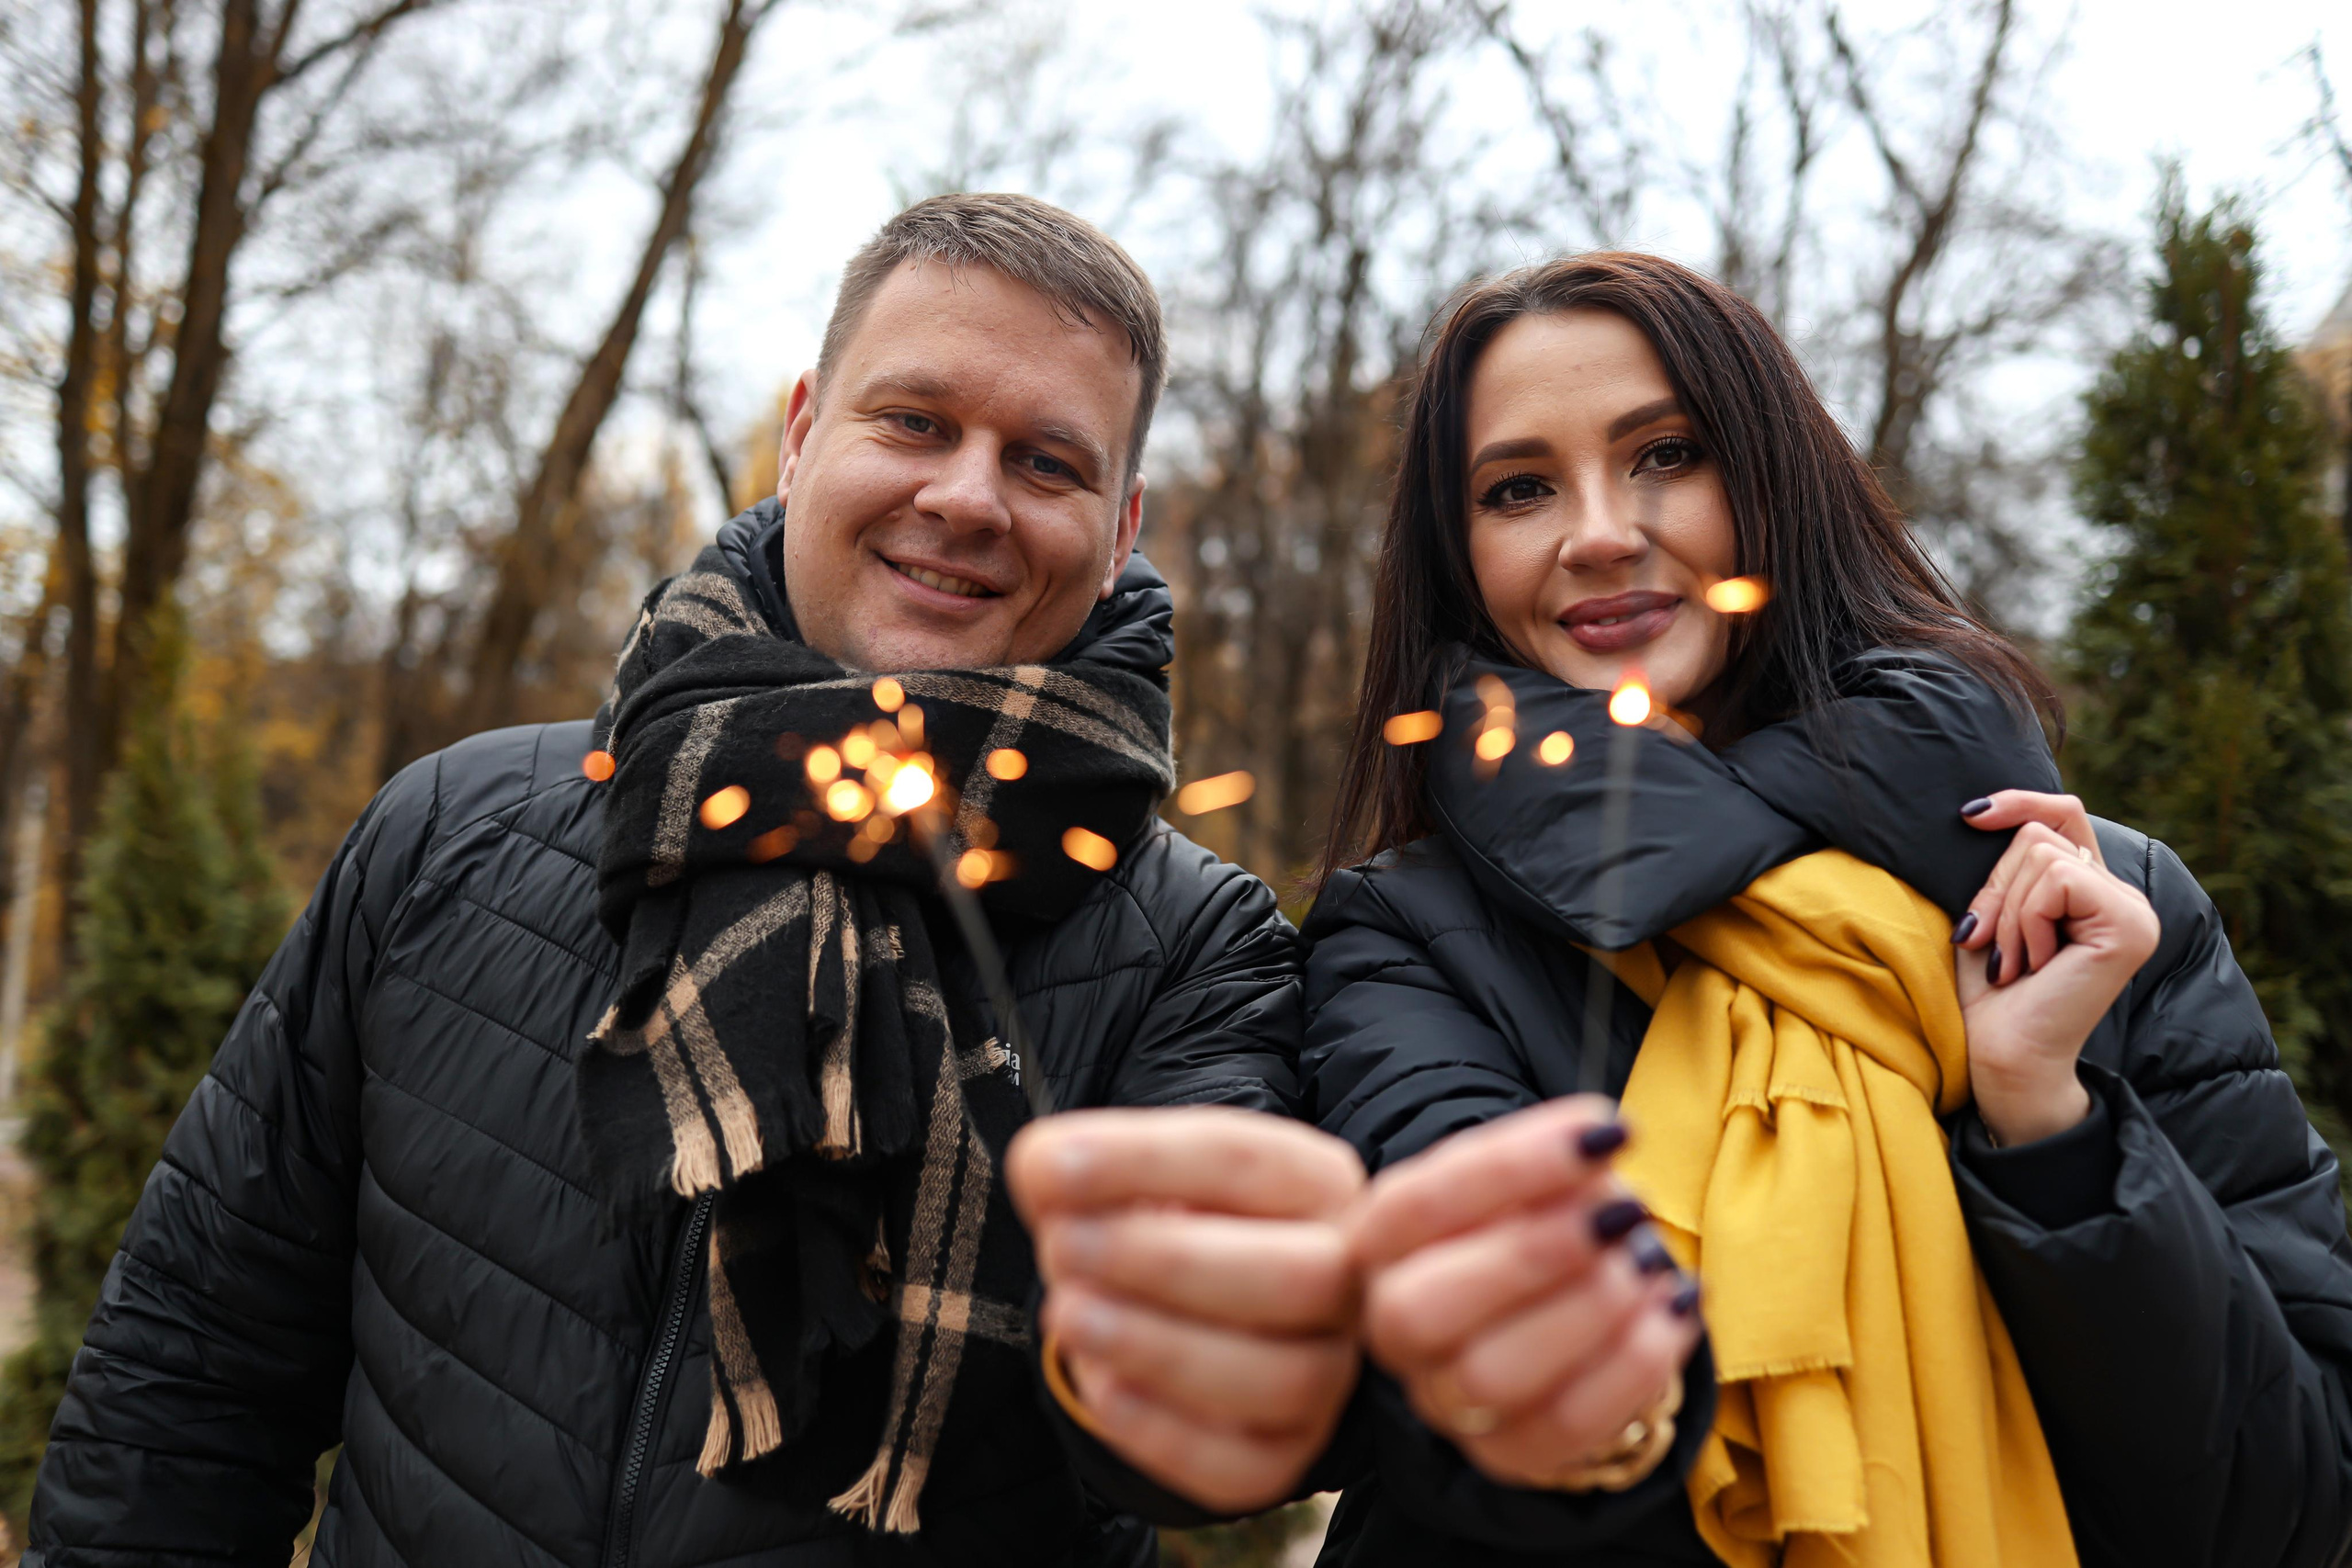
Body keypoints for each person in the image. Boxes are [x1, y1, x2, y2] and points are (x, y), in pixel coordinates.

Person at [26, 193, 1365, 1568]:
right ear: (801, 436)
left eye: (1046, 462)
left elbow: (1200, 1433)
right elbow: (194, 1369)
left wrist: (1232, 1344)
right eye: (913, 420)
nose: (966, 496)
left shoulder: (1198, 947)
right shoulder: (453, 831)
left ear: (1123, 521)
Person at [1298, 252, 2352, 1567]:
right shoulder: (1407, 941)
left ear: (1771, 482)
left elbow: (2289, 1513)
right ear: (1464, 562)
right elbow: (1489, 1417)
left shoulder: (2104, 911)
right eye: (1519, 489)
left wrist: (2049, 1124)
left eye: (1666, 454)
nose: (1600, 531)